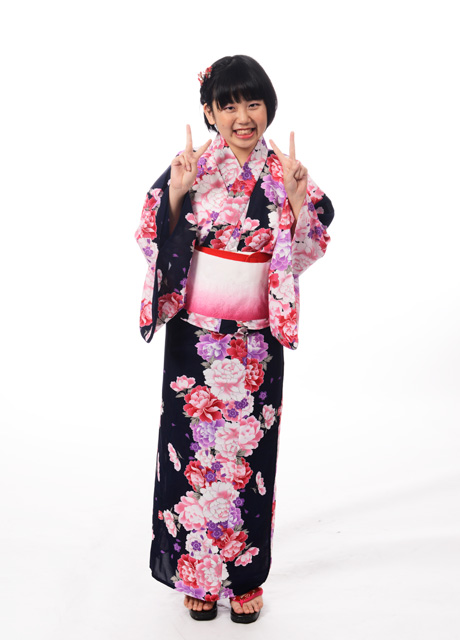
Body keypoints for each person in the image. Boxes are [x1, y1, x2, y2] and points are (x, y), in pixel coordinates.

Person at [135, 54, 334, 624]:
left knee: (250, 455)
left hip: (255, 341)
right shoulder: (192, 168)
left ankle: (243, 577)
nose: (243, 116)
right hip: (194, 340)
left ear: (268, 107)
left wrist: (295, 200)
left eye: (253, 103)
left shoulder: (286, 171)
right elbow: (149, 234)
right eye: (228, 105)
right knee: (189, 456)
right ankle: (196, 574)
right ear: (209, 112)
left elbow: (312, 243)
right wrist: (177, 195)